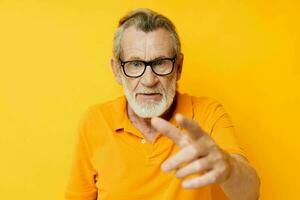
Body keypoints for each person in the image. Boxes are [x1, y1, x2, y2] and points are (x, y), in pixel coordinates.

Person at [64, 8, 260, 200]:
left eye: (160, 63)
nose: (149, 80)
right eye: (135, 64)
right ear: (117, 70)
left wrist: (228, 168)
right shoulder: (95, 121)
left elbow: (250, 194)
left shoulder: (207, 113)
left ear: (179, 67)